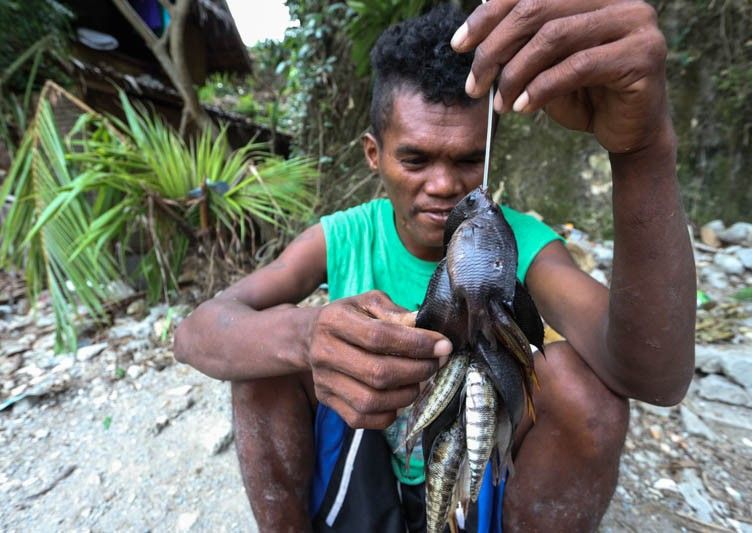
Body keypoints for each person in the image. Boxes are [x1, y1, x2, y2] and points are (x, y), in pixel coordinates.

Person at [174, 2, 695, 531]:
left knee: (584, 392)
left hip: (480, 467)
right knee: (259, 363)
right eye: (416, 159)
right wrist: (308, 336)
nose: (444, 186)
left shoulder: (520, 245)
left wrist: (642, 151)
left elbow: (651, 376)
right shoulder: (343, 235)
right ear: (374, 154)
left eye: (467, 160)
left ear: (491, 157)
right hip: (362, 458)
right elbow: (194, 333)